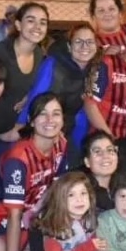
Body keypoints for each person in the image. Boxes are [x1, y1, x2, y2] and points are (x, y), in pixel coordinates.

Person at [0, 92, 68, 251]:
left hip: (34, 213)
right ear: (31, 121)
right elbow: (14, 214)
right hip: (4, 218)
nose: (50, 120)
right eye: (43, 114)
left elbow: (55, 184)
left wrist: (38, 209)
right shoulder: (18, 159)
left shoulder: (61, 143)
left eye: (56, 114)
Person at [20, 23, 99, 166]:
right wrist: (24, 130)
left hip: (67, 132)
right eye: (78, 42)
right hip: (43, 131)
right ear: (69, 46)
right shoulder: (54, 64)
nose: (84, 46)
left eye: (89, 42)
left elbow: (80, 111)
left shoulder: (90, 69)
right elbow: (36, 100)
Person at [0, 2, 48, 143]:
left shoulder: (39, 54)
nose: (37, 26)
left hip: (16, 132)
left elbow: (35, 85)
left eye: (43, 22)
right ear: (18, 25)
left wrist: (29, 95)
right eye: (31, 20)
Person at [81, 131, 119, 211]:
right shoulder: (82, 194)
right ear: (87, 162)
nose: (105, 156)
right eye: (97, 151)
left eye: (109, 150)